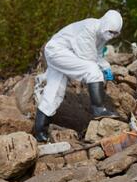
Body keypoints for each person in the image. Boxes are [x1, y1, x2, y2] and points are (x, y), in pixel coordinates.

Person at [34, 10, 123, 142]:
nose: (112, 36)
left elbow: (97, 55)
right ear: (105, 24)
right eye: (110, 32)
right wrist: (100, 71)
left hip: (62, 53)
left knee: (54, 91)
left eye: (115, 33)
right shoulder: (89, 29)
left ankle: (40, 132)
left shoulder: (100, 35)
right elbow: (87, 57)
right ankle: (98, 108)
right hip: (58, 51)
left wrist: (106, 67)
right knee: (92, 70)